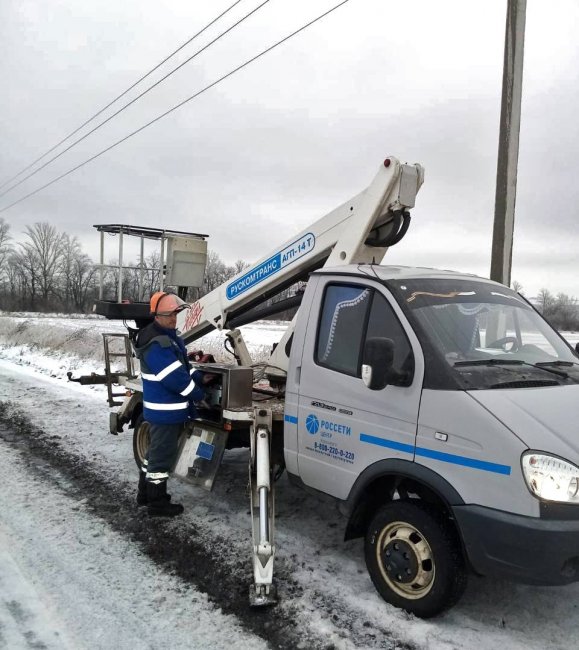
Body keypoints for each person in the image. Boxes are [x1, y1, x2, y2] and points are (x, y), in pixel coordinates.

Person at [133, 291, 207, 517]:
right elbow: (175, 378)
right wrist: (197, 393)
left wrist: (199, 375)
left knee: (154, 454)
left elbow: (183, 366)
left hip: (163, 411)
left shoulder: (167, 336)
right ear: (157, 315)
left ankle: (144, 494)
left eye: (176, 314)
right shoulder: (157, 343)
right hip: (165, 412)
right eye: (170, 315)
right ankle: (157, 503)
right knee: (161, 456)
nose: (174, 319)